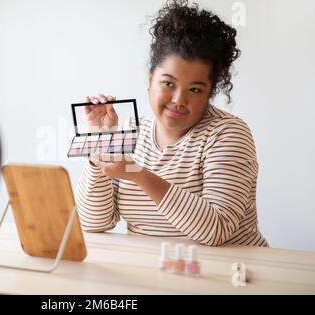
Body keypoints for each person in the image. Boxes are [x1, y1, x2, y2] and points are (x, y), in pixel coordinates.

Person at [75, 0, 268, 247]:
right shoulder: (133, 130)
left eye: (195, 89)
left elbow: (216, 230)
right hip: (158, 276)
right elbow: (92, 222)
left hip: (230, 275)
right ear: (150, 81)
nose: (179, 100)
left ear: (210, 93)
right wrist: (100, 142)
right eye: (168, 83)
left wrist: (139, 175)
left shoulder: (227, 134)